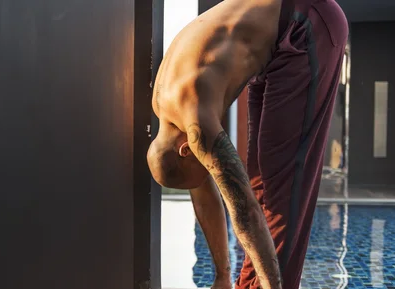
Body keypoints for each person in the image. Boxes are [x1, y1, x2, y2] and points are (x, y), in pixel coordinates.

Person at [146, 0, 348, 288]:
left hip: (307, 23)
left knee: (282, 190)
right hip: (272, 46)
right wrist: (221, 276)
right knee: (259, 182)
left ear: (186, 150)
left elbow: (244, 212)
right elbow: (205, 196)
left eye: (204, 170)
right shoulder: (166, 112)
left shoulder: (194, 123)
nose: (208, 175)